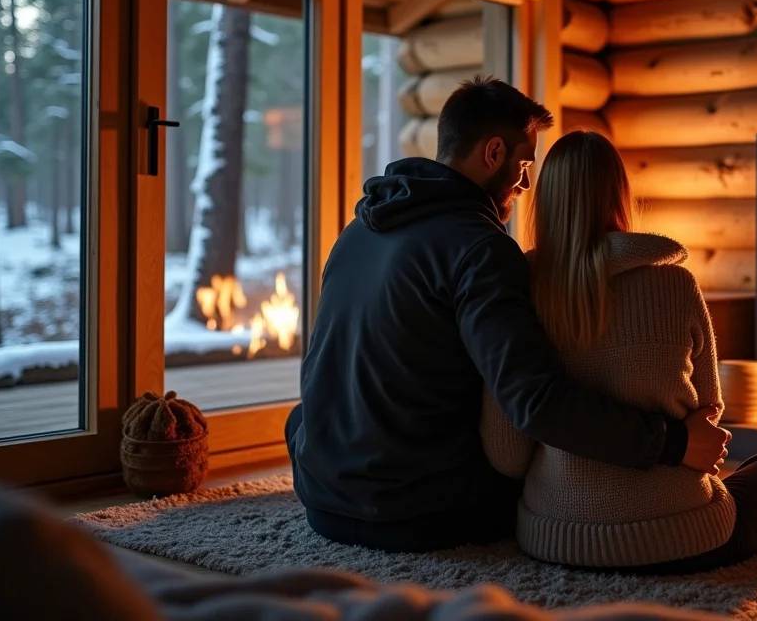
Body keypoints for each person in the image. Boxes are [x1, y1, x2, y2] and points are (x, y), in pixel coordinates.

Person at [285, 77, 730, 553]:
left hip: (323, 498)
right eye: (524, 165)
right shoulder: (481, 248)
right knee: (524, 460)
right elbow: (536, 403)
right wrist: (673, 443)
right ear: (494, 152)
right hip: (416, 512)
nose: (524, 184)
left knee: (306, 415)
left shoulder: (358, 231)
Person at [480, 130, 757, 573]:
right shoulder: (676, 285)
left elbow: (507, 455)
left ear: (546, 203)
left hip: (558, 538)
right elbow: (709, 412)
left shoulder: (518, 295)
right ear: (619, 194)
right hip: (682, 537)